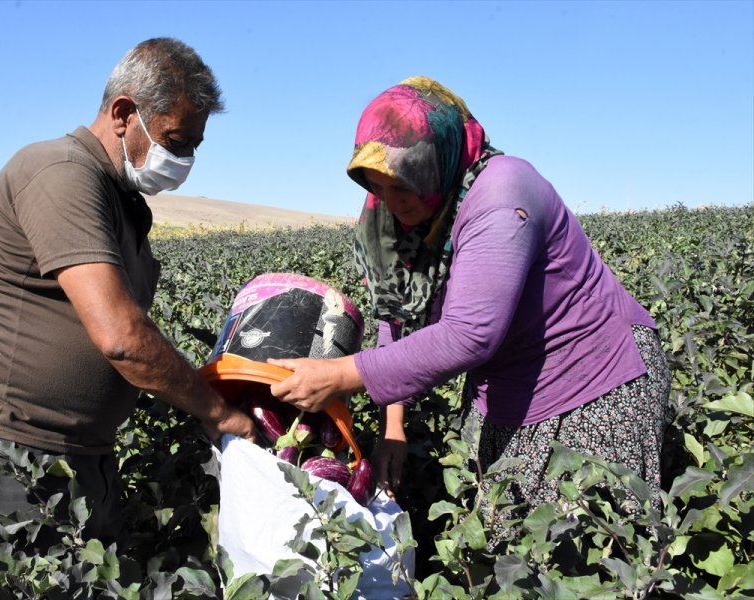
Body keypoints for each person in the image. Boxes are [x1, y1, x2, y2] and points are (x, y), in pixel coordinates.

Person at [268, 76, 671, 539]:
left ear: (436, 161)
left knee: (585, 550)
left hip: (594, 382)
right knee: (511, 547)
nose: (393, 202)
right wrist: (392, 425)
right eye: (378, 187)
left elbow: (470, 333)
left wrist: (340, 376)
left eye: (403, 185)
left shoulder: (502, 194)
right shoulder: (392, 209)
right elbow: (397, 315)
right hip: (506, 384)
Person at [0, 38, 256, 578]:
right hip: (11, 457)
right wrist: (216, 411)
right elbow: (122, 337)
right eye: (176, 141)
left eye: (194, 146)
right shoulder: (59, 172)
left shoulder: (120, 198)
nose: (185, 161)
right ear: (124, 114)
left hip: (79, 459)